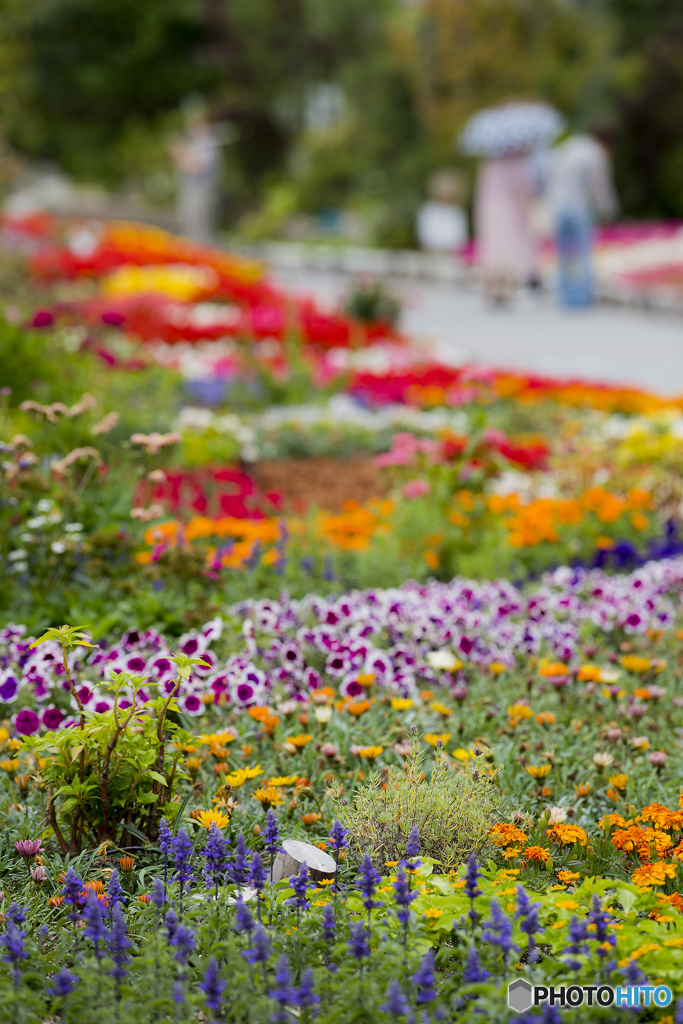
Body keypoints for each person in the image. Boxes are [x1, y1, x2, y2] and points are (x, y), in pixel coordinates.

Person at [547, 127, 618, 308]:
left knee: (564, 253)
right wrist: (608, 209)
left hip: (558, 205)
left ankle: (565, 296)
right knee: (583, 253)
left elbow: (551, 174)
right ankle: (582, 298)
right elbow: (599, 186)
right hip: (579, 208)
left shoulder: (570, 146)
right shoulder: (595, 154)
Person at [474, 154, 539, 304]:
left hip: (489, 210)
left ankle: (495, 291)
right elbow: (523, 193)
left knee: (495, 252)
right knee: (510, 251)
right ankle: (505, 290)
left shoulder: (489, 163)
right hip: (510, 212)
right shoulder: (516, 165)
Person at [169, 105, 221, 244]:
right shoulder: (196, 144)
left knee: (200, 232)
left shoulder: (209, 144)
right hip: (190, 191)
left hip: (201, 193)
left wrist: (178, 151)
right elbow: (182, 166)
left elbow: (195, 167)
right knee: (189, 229)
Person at [416, 169, 468, 253]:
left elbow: (461, 238)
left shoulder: (458, 211)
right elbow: (424, 235)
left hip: (452, 254)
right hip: (431, 251)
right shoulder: (428, 210)